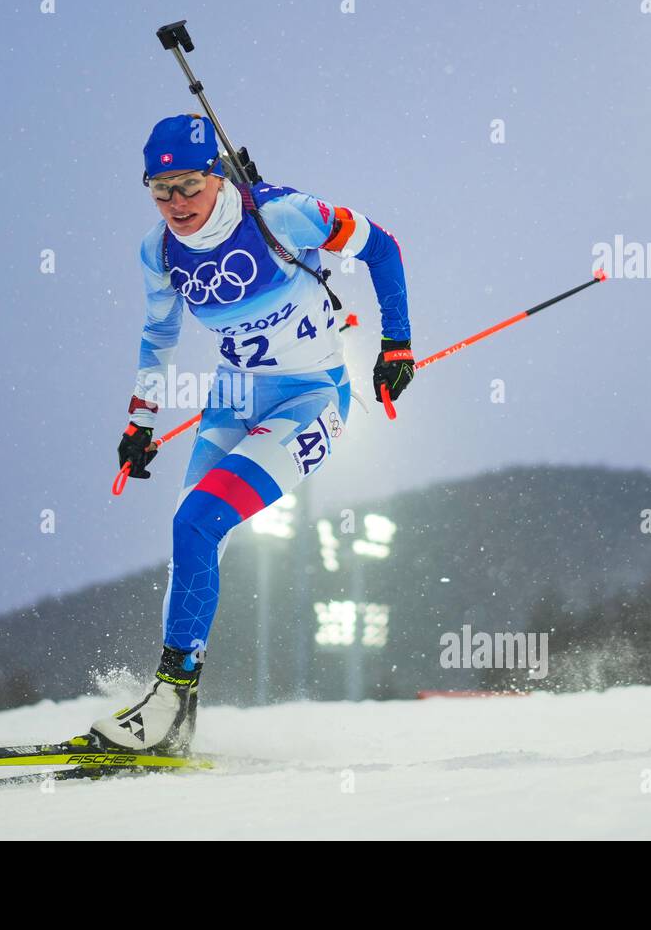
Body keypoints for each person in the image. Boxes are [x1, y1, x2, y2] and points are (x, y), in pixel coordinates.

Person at [87, 113, 414, 754]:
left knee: (197, 522)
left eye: (187, 186)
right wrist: (141, 421)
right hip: (232, 397)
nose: (175, 204)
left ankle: (170, 704)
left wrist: (396, 342)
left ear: (216, 175)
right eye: (160, 190)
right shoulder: (157, 251)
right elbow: (158, 337)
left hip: (310, 399)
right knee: (193, 533)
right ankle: (171, 709)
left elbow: (383, 246)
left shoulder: (282, 216)